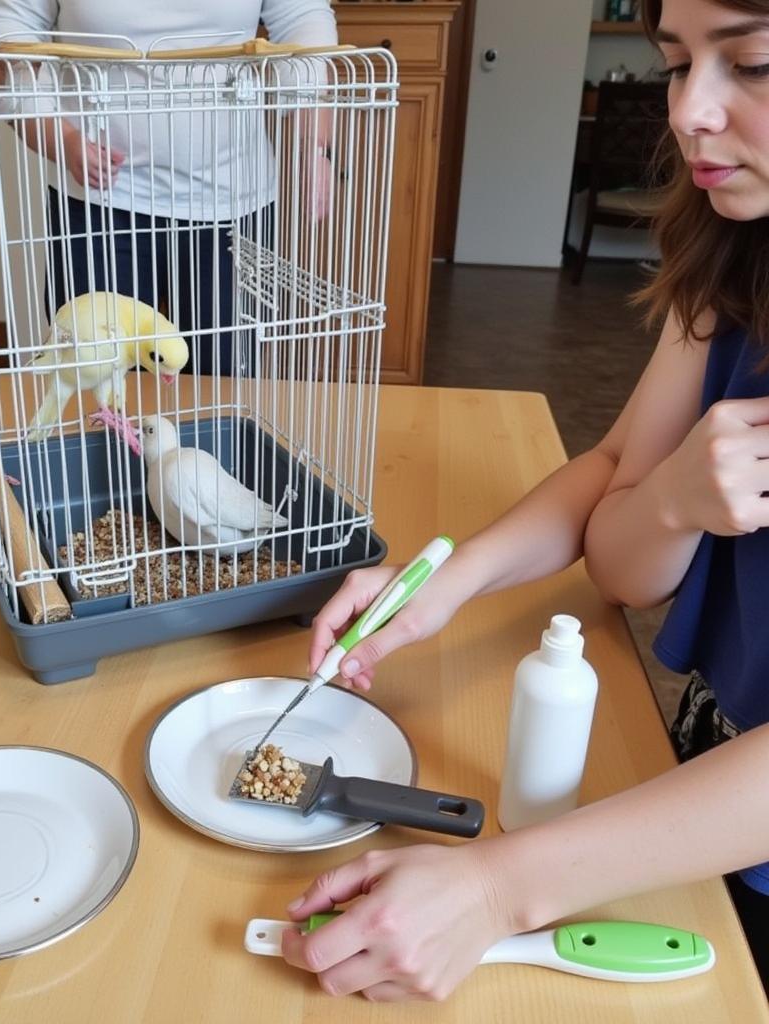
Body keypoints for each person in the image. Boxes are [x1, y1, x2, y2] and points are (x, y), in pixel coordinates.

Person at [280, 0, 769, 1002]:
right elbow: (619, 524)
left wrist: (501, 891)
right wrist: (440, 587)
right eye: (678, 64)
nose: (688, 113)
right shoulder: (735, 259)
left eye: (752, 63)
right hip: (710, 765)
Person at [0, 2, 336, 376]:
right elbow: (12, 33)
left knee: (226, 377)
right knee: (98, 373)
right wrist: (62, 140)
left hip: (232, 196)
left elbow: (303, 17)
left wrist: (314, 147)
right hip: (99, 201)